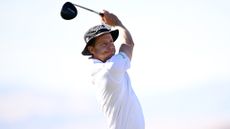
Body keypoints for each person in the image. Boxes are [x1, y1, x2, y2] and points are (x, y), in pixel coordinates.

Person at [81, 10, 145, 129]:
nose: (110, 46)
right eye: (104, 44)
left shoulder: (98, 68)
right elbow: (129, 44)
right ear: (91, 50)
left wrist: (107, 25)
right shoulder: (111, 69)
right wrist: (117, 23)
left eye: (111, 41)